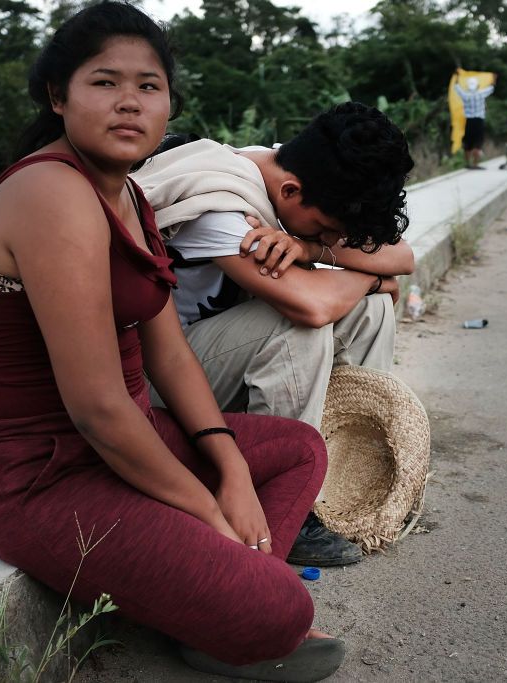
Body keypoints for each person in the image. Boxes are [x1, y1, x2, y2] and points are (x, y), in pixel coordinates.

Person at [0, 3, 345, 679]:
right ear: (57, 96)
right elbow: (97, 406)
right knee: (284, 611)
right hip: (40, 476)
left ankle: (214, 602)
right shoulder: (50, 192)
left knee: (297, 448)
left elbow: (169, 351)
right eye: (104, 82)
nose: (129, 102)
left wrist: (231, 467)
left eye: (148, 86)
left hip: (129, 437)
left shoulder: (127, 193)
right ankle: (233, 600)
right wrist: (209, 509)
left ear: (169, 103)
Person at [133, 102, 414, 567]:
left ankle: (347, 470)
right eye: (327, 229)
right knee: (297, 326)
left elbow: (402, 256)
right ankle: (286, 500)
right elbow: (312, 303)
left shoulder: (286, 171)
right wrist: (369, 275)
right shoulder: (223, 204)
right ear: (291, 192)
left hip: (210, 359)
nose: (334, 239)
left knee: (372, 310)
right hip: (154, 384)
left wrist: (311, 245)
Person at [454, 73, 496, 169]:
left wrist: (456, 77)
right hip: (479, 121)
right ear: (477, 85)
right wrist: (494, 78)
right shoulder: (481, 93)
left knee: (468, 143)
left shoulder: (465, 95)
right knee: (478, 143)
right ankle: (475, 164)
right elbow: (492, 88)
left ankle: (468, 164)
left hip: (469, 121)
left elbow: (457, 87)